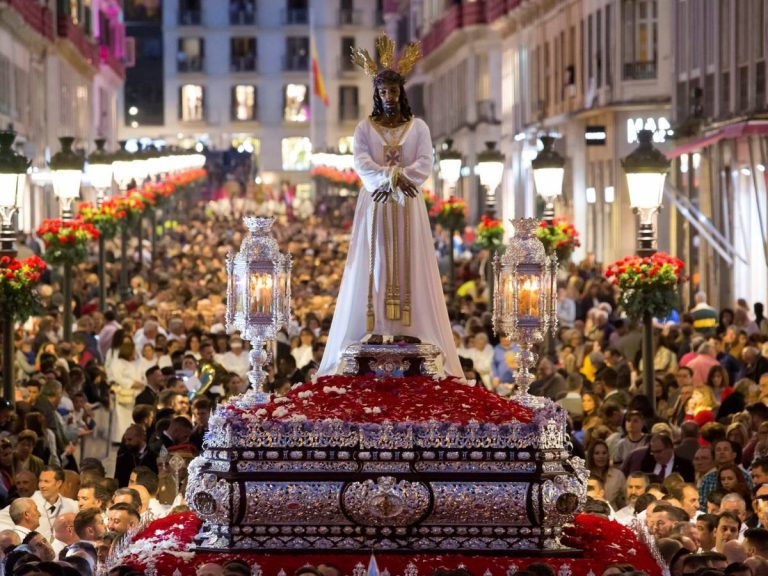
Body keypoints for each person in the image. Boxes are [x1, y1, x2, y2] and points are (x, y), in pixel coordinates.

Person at [319, 39, 462, 378]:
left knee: (410, 259)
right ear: (377, 94)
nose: (389, 97)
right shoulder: (364, 128)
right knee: (376, 260)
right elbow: (361, 161)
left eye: (393, 91)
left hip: (407, 203)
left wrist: (399, 180)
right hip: (378, 201)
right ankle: (378, 324)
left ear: (401, 92)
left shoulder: (419, 127)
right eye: (383, 92)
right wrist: (389, 179)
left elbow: (425, 160)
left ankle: (409, 324)